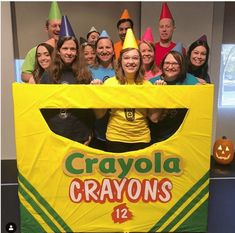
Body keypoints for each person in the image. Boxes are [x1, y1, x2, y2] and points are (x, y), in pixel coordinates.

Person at [95, 29, 160, 153]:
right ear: (121, 61)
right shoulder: (110, 83)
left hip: (141, 139)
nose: (131, 62)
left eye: (135, 58)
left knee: (139, 173)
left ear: (140, 62)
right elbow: (99, 115)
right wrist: (97, 93)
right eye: (127, 58)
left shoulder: (148, 85)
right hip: (115, 138)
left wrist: (160, 94)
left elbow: (154, 118)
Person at [40, 16, 94, 145]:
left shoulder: (84, 74)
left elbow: (90, 106)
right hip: (55, 134)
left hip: (79, 133)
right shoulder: (48, 75)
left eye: (72, 49)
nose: (69, 52)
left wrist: (89, 132)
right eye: (65, 48)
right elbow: (41, 106)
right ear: (58, 51)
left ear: (77, 52)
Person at [149, 48, 200, 143]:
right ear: (162, 65)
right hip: (157, 137)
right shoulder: (152, 83)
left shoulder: (188, 80)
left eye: (175, 63)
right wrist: (160, 92)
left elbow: (201, 93)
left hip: (182, 136)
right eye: (167, 63)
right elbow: (154, 119)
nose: (170, 66)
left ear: (181, 66)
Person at [21, 1, 62, 83]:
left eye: (60, 26)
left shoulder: (69, 50)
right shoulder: (35, 51)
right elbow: (24, 74)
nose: (58, 29)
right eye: (54, 26)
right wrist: (34, 78)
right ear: (46, 29)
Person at [155, 2, 186, 68]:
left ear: (173, 28)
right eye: (161, 26)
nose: (164, 29)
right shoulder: (152, 49)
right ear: (158, 29)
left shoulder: (181, 50)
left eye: (167, 26)